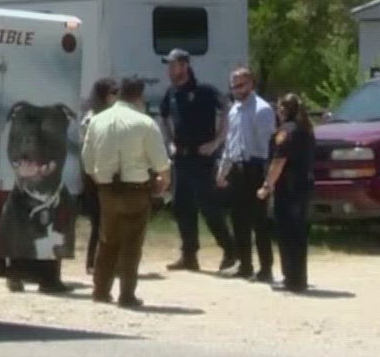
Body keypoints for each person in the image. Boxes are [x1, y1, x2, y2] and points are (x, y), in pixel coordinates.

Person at [81, 77, 171, 308]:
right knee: (132, 243)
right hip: (136, 190)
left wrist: (101, 183)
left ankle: (100, 290)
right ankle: (127, 294)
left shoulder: (97, 121)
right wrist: (163, 182)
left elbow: (88, 162)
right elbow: (162, 163)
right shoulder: (145, 123)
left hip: (107, 189)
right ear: (139, 96)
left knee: (107, 240)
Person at [157, 47, 234, 272]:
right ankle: (189, 255)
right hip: (181, 158)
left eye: (173, 65)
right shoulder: (171, 93)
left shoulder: (204, 91)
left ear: (185, 66)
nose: (170, 70)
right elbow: (163, 117)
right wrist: (169, 141)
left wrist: (217, 141)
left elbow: (228, 112)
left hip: (202, 159)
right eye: (169, 66)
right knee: (182, 207)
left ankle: (230, 250)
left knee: (209, 207)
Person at [216, 66, 277, 282]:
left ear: (251, 84)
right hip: (237, 168)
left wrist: (268, 177)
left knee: (259, 220)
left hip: (256, 167)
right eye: (233, 86)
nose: (236, 90)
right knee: (238, 218)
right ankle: (244, 264)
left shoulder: (262, 110)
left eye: (241, 85)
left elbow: (269, 146)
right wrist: (223, 171)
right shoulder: (234, 110)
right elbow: (230, 144)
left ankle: (266, 268)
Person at [257, 92, 316, 293]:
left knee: (287, 233)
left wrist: (267, 185)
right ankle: (300, 277)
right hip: (304, 187)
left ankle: (291, 277)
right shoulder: (306, 130)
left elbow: (278, 162)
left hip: (288, 189)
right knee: (299, 234)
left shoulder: (284, 132)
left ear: (283, 110)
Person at [77, 77, 116, 275]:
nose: (115, 97)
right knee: (98, 221)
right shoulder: (91, 118)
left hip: (107, 174)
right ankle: (92, 263)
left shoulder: (111, 116)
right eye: (112, 93)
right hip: (93, 176)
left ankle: (102, 261)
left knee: (107, 221)